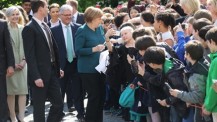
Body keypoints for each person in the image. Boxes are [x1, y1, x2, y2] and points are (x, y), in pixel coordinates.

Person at [22, 0, 64, 122]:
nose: (48, 9)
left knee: (58, 103)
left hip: (52, 72)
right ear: (40, 9)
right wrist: (36, 76)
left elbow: (52, 49)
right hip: (39, 75)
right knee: (39, 108)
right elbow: (29, 55)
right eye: (47, 7)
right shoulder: (29, 28)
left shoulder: (45, 25)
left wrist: (58, 68)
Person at [51, 4, 85, 121]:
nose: (68, 17)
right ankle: (59, 114)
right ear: (60, 15)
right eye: (65, 15)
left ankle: (81, 113)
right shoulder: (53, 30)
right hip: (61, 65)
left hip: (76, 63)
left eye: (70, 15)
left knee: (78, 90)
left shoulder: (79, 27)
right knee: (60, 91)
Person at [75, 6, 105, 122]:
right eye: (99, 18)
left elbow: (102, 42)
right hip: (87, 70)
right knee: (94, 97)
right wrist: (93, 49)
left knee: (101, 96)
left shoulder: (99, 28)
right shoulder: (82, 30)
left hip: (100, 68)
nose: (101, 20)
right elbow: (78, 50)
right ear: (92, 18)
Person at [170, 41, 211, 122]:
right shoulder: (203, 62)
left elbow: (197, 96)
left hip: (205, 109)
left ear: (188, 54)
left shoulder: (197, 74)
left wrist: (178, 94)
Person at [5, 6, 28, 122]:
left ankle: (22, 117)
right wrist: (12, 63)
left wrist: (24, 61)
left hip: (23, 64)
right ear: (7, 16)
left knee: (23, 91)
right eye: (12, 14)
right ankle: (13, 116)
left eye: (17, 14)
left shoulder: (23, 28)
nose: (15, 16)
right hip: (10, 65)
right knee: (11, 92)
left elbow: (28, 48)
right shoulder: (4, 29)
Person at [0, 19, 15, 122]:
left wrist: (10, 65)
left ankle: (3, 119)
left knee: (1, 95)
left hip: (1, 66)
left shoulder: (3, 24)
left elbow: (8, 46)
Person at [203, 27, 217, 122]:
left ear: (212, 41)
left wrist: (208, 105)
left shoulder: (216, 61)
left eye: (207, 42)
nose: (207, 45)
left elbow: (214, 87)